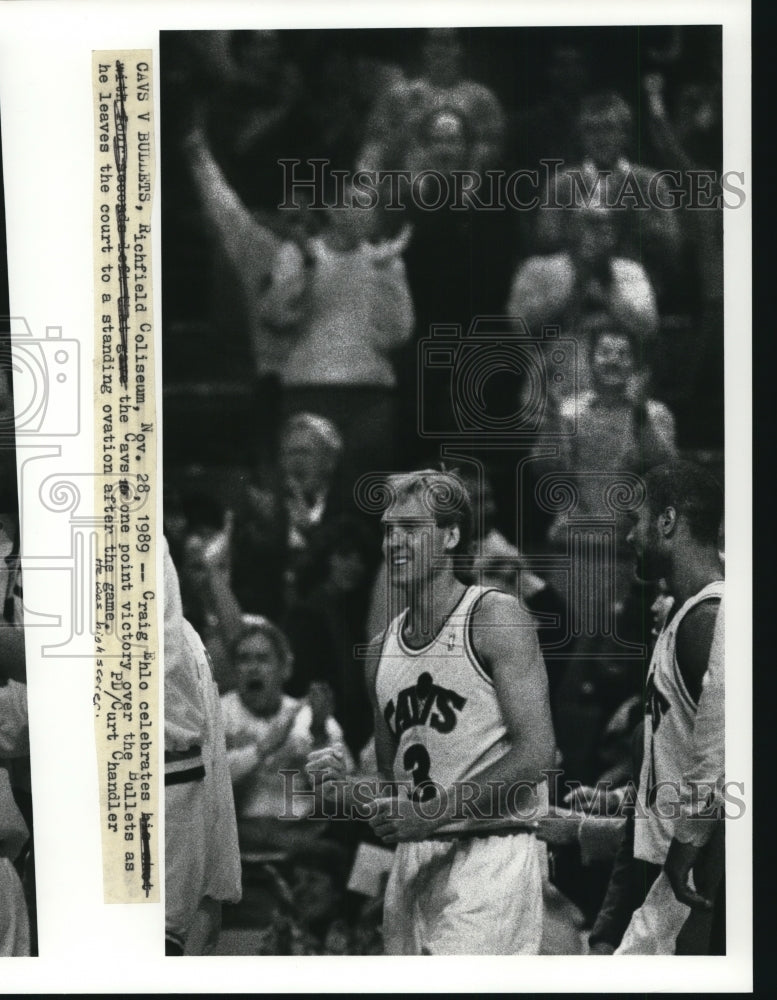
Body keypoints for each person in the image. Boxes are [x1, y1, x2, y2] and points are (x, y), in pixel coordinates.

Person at [307, 469, 556, 954]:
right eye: (388, 530)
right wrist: (340, 790)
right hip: (412, 864)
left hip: (491, 853)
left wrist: (432, 813)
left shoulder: (494, 616)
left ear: (451, 535)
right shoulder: (381, 650)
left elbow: (536, 753)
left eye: (412, 529)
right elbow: (391, 782)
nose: (394, 543)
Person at [612, 461, 724, 954]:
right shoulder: (683, 616)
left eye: (637, 519)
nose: (630, 536)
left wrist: (688, 847)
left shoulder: (709, 618)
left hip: (702, 869)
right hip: (674, 867)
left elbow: (725, 751)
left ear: (668, 521)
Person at [164, 537, 242, 955]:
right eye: (191, 565)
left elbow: (241, 641)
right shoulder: (183, 639)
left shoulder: (190, 640)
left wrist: (217, 885)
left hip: (188, 862)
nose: (197, 575)